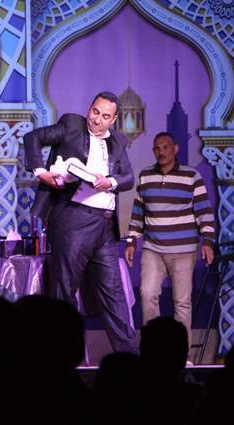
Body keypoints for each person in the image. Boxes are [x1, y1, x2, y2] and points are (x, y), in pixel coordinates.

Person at [24, 91, 137, 353]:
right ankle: (59, 357)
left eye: (105, 116)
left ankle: (131, 358)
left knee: (114, 294)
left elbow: (129, 178)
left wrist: (110, 182)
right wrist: (41, 172)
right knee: (64, 291)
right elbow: (33, 137)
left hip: (105, 226)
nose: (97, 119)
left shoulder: (118, 141)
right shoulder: (72, 126)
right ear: (90, 108)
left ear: (114, 120)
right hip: (75, 220)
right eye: (95, 111)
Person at [125, 132, 215, 352]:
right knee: (147, 294)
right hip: (152, 249)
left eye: (165, 147)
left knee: (182, 302)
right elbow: (138, 213)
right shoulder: (145, 176)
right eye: (157, 148)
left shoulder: (191, 176)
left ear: (175, 149)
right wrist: (131, 240)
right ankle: (152, 349)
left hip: (183, 249)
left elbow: (204, 211)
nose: (161, 152)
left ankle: (181, 353)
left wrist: (208, 241)